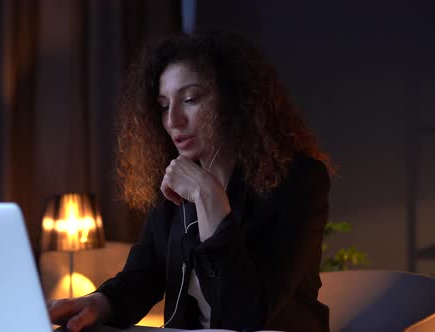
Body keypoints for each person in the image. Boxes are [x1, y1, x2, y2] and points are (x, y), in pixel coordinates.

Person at [48, 32, 333, 332]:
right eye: (163, 105)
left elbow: (245, 316)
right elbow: (142, 276)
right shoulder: (173, 176)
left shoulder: (299, 179)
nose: (173, 120)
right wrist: (98, 302)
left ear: (234, 99)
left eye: (190, 99)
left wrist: (208, 197)